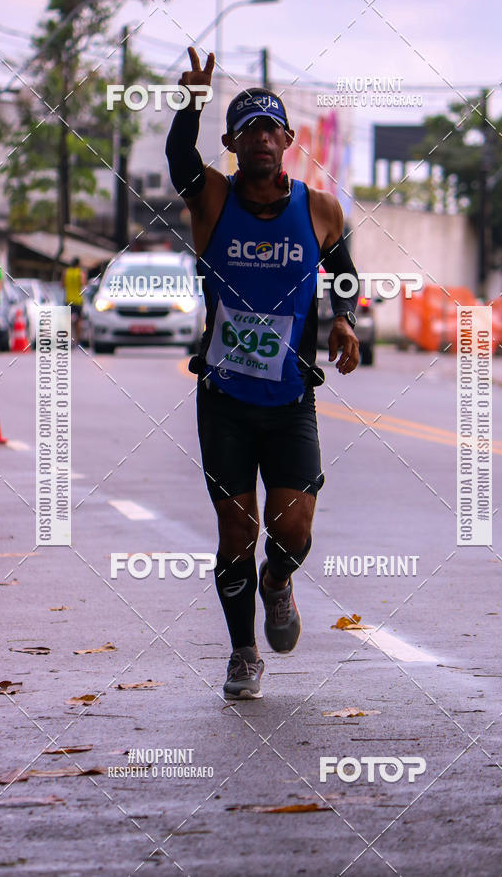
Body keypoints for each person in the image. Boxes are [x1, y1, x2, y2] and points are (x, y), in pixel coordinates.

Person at [166, 48, 360, 701]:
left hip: (290, 398)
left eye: (270, 129)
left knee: (293, 529)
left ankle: (278, 582)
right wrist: (192, 102)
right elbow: (179, 159)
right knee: (236, 531)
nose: (260, 139)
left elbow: (345, 273)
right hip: (224, 397)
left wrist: (344, 319)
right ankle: (243, 653)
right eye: (247, 130)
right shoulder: (212, 200)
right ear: (231, 144)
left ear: (288, 139)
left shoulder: (321, 208)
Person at [62, 256, 87, 345]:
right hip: (78, 300)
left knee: (67, 321)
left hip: (68, 300)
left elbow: (62, 284)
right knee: (79, 321)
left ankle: (66, 340)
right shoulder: (81, 273)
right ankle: (78, 341)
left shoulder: (66, 272)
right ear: (78, 264)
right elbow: (83, 284)